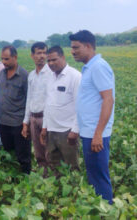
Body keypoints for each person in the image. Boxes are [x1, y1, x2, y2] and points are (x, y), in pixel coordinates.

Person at [70, 30, 115, 204]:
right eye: (72, 48)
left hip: (97, 134)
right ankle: (99, 209)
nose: (73, 51)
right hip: (89, 132)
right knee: (94, 176)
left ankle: (106, 210)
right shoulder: (89, 67)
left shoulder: (98, 66)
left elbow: (108, 100)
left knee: (99, 177)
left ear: (88, 46)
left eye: (76, 47)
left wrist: (98, 134)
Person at [40, 46, 81, 175]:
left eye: (54, 60)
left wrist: (75, 130)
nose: (51, 64)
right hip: (52, 130)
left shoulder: (75, 76)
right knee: (54, 165)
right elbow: (48, 104)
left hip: (67, 131)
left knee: (72, 166)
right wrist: (44, 127)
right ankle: (57, 193)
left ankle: (74, 193)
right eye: (49, 61)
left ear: (63, 57)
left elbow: (80, 106)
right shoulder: (50, 77)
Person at [0, 45, 31, 174]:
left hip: (18, 122)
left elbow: (29, 100)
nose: (3, 62)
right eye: (2, 59)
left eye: (6, 59)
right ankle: (12, 177)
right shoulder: (2, 73)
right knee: (8, 153)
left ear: (15, 57)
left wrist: (26, 124)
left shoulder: (23, 75)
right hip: (3, 122)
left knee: (23, 154)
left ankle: (25, 178)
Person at [22, 42, 52, 174]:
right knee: (38, 153)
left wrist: (46, 124)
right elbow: (29, 98)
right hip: (34, 118)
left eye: (44, 53)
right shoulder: (31, 75)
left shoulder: (51, 73)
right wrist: (25, 122)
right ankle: (43, 179)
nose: (42, 56)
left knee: (49, 152)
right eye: (39, 53)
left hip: (47, 118)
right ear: (32, 55)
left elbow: (52, 100)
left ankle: (53, 180)